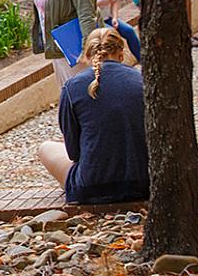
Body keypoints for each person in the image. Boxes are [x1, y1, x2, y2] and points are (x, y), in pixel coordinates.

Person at [38, 27, 149, 204]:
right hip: (144, 183)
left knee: (46, 148)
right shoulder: (142, 81)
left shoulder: (72, 87)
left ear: (88, 55)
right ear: (121, 54)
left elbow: (73, 152)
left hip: (92, 187)